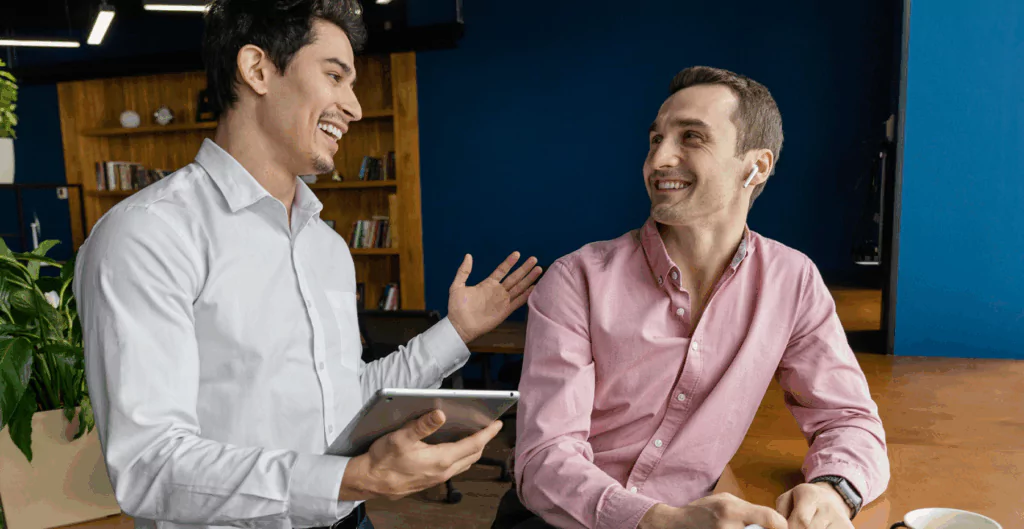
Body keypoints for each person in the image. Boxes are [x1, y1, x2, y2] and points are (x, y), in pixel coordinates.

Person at [72, 2, 542, 529]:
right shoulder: (149, 234)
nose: (355, 108)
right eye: (335, 76)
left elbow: (344, 402)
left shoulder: (326, 247)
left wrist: (457, 331)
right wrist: (355, 479)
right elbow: (149, 465)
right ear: (257, 70)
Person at [496, 66, 889, 529]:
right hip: (564, 519)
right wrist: (658, 519)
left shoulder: (792, 280)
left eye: (691, 137)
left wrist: (834, 489)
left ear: (756, 166)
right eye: (655, 139)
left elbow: (849, 420)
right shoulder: (576, 278)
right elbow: (544, 460)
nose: (659, 158)